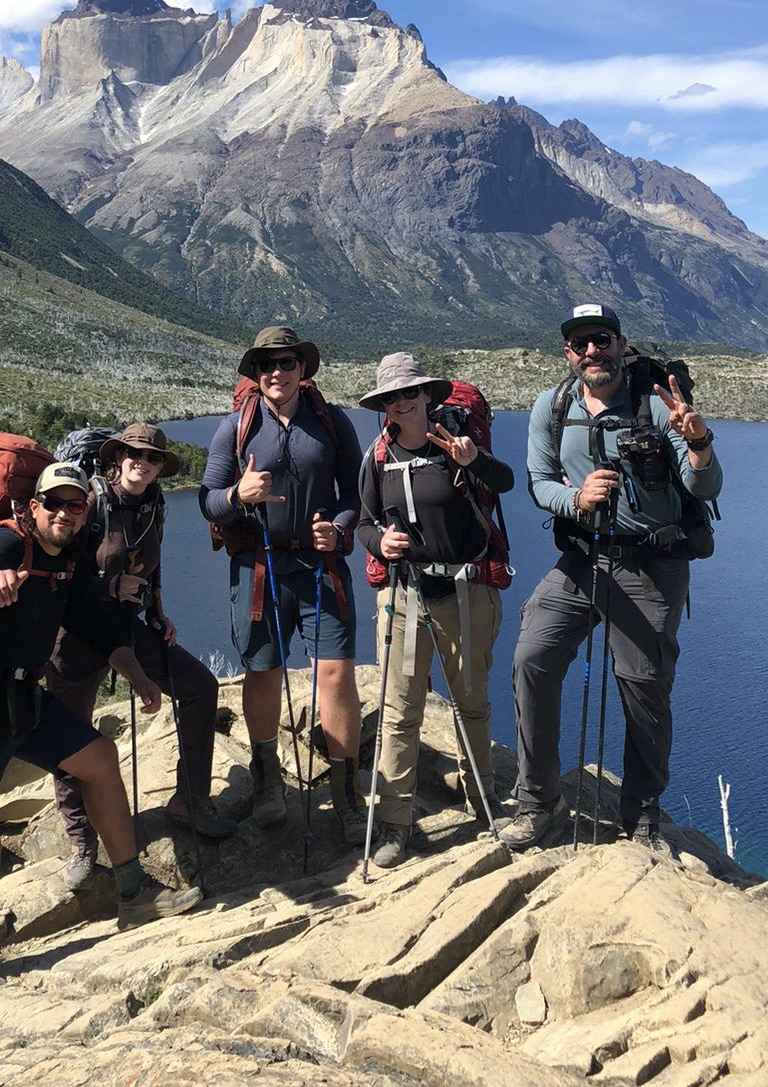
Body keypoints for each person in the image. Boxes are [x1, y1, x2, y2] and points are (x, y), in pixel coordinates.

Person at [0, 462, 201, 989]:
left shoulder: (69, 563)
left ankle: (133, 892)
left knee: (98, 759)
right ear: (32, 507)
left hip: (23, 699)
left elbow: (98, 625)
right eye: (54, 503)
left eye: (75, 505)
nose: (64, 513)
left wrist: (138, 677)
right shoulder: (6, 544)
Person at [500, 303, 723, 853]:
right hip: (582, 559)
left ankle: (641, 814)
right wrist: (576, 500)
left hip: (651, 563)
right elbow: (538, 482)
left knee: (643, 684)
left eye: (602, 339)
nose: (592, 351)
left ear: (622, 345)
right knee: (532, 657)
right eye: (580, 344)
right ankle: (538, 801)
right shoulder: (552, 406)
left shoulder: (656, 404)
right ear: (568, 354)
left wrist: (697, 441)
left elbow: (706, 489)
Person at [48, 424, 235, 892]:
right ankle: (81, 842)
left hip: (130, 628)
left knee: (199, 688)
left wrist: (157, 608)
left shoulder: (153, 505)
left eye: (152, 459)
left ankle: (189, 801)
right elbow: (61, 572)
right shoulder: (88, 504)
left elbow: (152, 564)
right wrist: (110, 587)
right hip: (75, 637)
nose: (143, 463)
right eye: (134, 455)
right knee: (70, 735)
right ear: (117, 458)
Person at [199, 326, 368, 843]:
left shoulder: (331, 421)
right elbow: (208, 498)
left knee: (336, 676)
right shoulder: (235, 427)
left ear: (303, 369)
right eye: (267, 364)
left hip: (320, 568)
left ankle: (345, 794)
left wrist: (338, 528)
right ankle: (268, 780)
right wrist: (238, 493)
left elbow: (355, 493)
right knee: (263, 672)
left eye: (287, 362)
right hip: (258, 567)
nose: (277, 372)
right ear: (255, 373)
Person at [356, 353, 515, 867]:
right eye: (391, 397)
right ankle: (396, 825)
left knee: (471, 701)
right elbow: (362, 521)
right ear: (383, 406)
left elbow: (505, 483)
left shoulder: (456, 446)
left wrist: (473, 462)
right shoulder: (376, 457)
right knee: (401, 713)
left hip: (466, 594)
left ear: (427, 396)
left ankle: (484, 801)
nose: (401, 403)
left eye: (410, 393)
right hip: (403, 597)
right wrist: (381, 543)